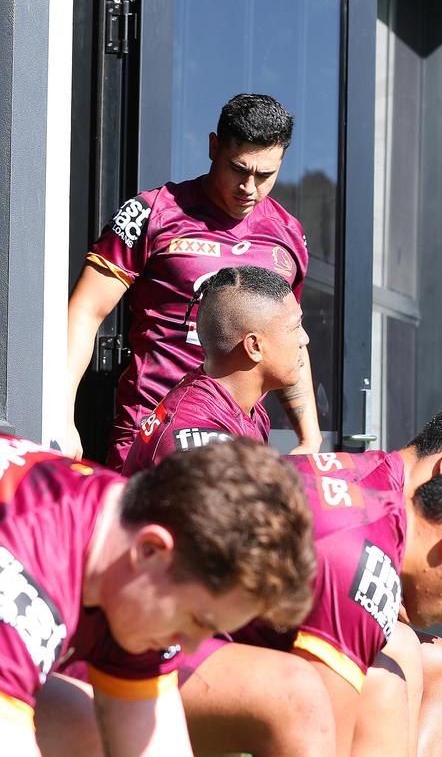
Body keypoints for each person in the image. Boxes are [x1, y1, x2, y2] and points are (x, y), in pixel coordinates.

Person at [181, 386, 442, 757]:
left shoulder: (381, 510)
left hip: (190, 640)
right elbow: (321, 734)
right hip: (144, 652)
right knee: (332, 687)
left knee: (408, 672)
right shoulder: (362, 548)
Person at [0, 435, 317, 757]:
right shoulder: (24, 570)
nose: (190, 647)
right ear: (150, 550)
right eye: (197, 620)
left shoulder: (126, 552)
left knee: (81, 723)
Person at [65, 93, 321, 472]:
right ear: (213, 147)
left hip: (241, 444)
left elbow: (287, 334)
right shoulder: (152, 213)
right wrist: (61, 413)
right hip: (152, 432)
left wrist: (309, 437)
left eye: (265, 175)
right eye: (239, 169)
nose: (249, 188)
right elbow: (86, 311)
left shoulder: (288, 233)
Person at [121, 265, 309, 475]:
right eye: (295, 328)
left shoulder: (246, 407)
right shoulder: (200, 445)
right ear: (254, 347)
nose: (304, 339)